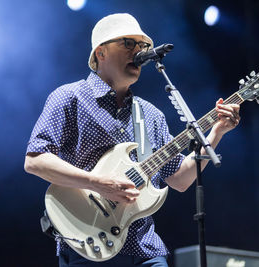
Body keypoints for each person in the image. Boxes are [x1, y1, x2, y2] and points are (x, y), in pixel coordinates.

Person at [24, 13, 240, 267]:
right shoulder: (70, 97)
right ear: (100, 53)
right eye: (128, 43)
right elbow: (35, 160)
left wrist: (216, 133)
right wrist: (98, 183)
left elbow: (181, 179)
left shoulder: (150, 115)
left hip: (145, 248)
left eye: (142, 46)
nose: (138, 51)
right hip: (88, 242)